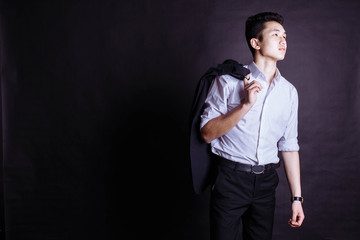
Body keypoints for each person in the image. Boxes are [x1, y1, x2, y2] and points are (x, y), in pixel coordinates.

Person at [200, 12, 305, 240]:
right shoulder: (227, 82)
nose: (283, 40)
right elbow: (207, 133)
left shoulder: (289, 92)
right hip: (230, 179)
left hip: (266, 184)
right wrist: (246, 105)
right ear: (255, 43)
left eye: (285, 36)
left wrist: (297, 199)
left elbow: (289, 146)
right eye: (275, 34)